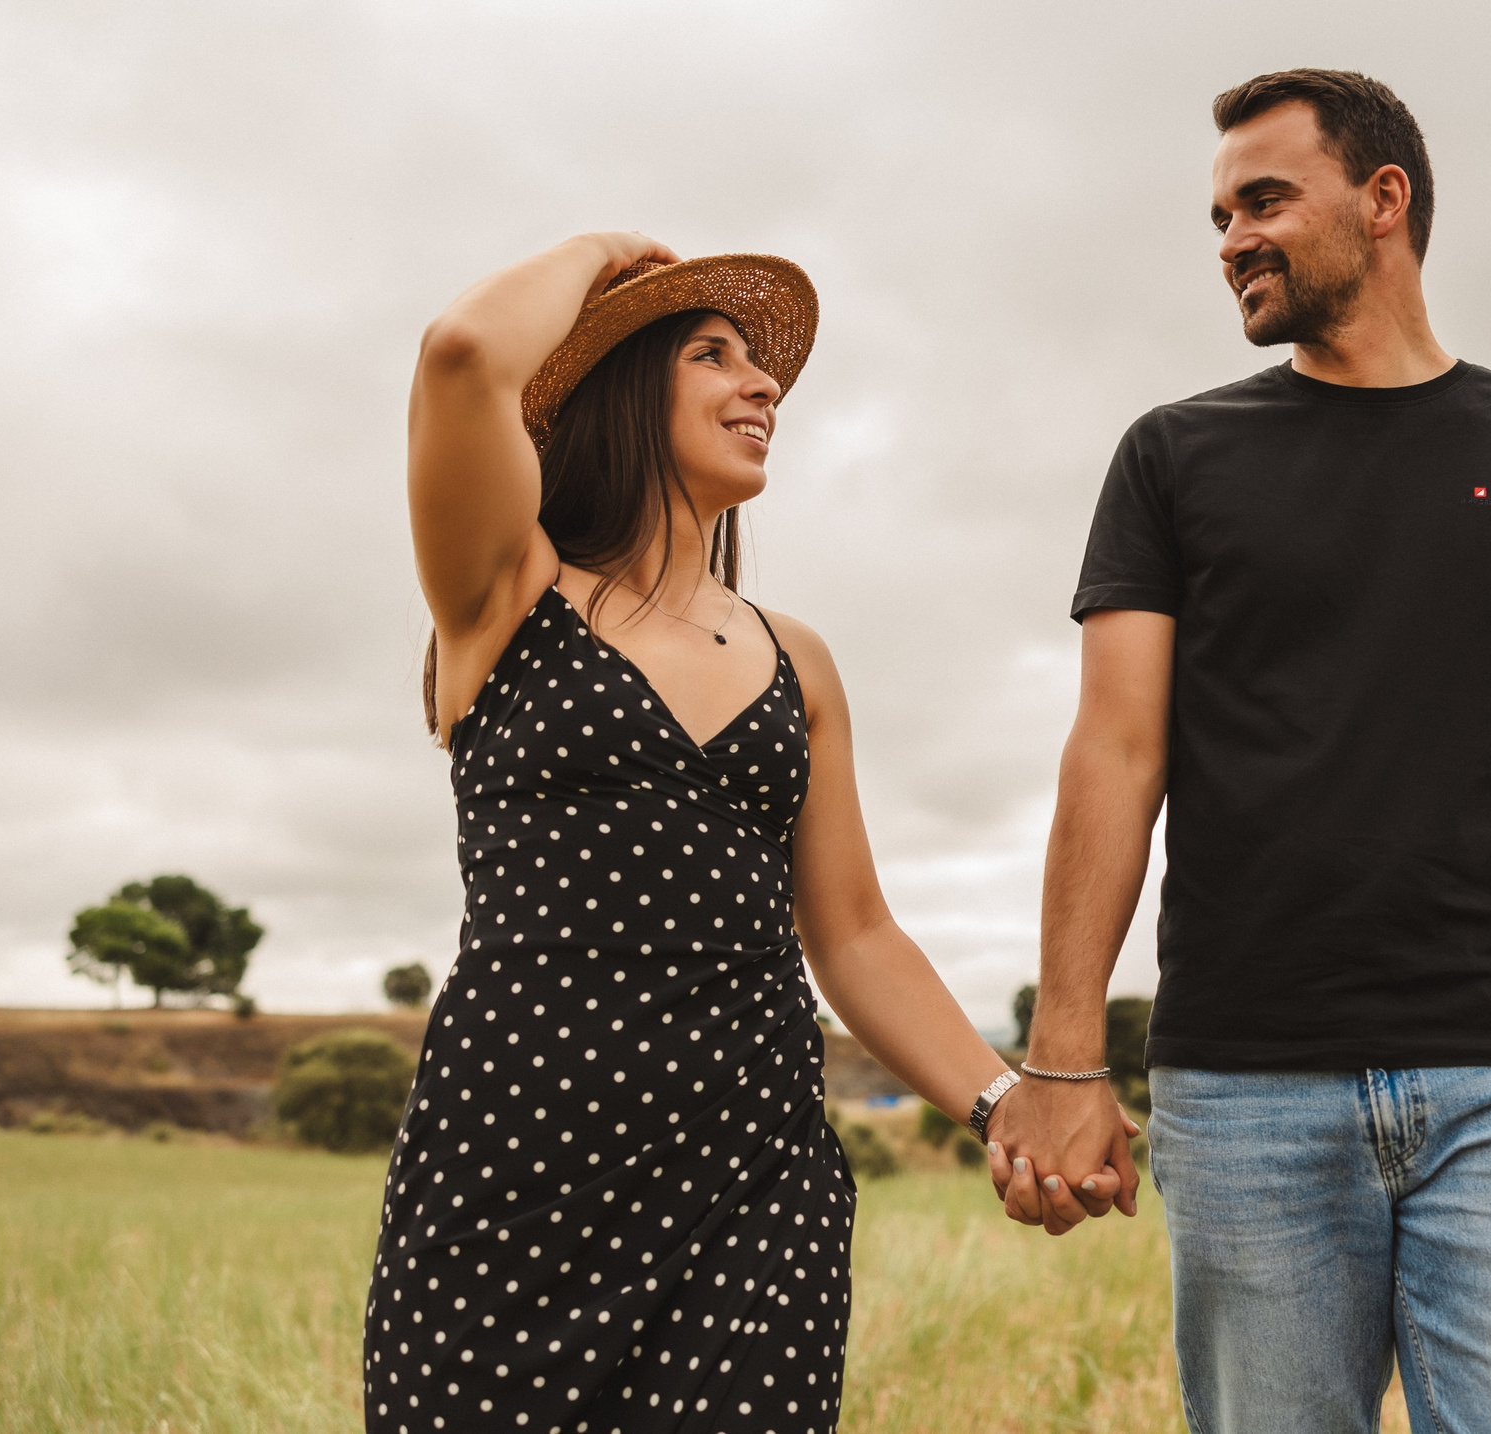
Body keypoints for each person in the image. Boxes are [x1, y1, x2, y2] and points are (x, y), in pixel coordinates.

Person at [986, 71, 1491, 1432]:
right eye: (1220, 213)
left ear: (1385, 199)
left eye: (1266, 199)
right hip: (1244, 1088)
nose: (1232, 235)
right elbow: (1114, 752)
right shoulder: (1175, 456)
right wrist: (1065, 1060)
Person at [364, 235, 1106, 1433]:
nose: (763, 386)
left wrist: (1001, 1100)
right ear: (615, 389)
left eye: (761, 366)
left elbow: (855, 932)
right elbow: (459, 355)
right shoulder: (501, 591)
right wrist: (612, 257)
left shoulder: (795, 657)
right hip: (514, 1167)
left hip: (752, 1179)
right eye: (713, 355)